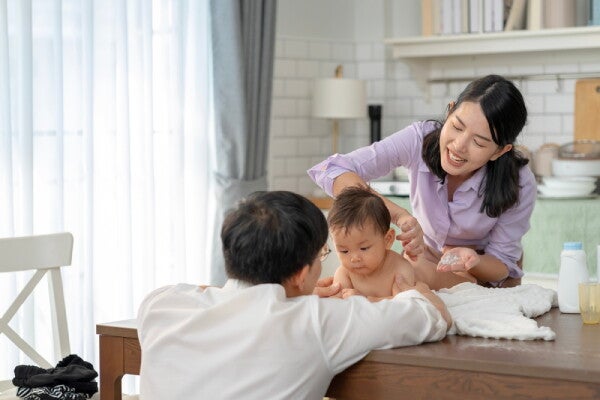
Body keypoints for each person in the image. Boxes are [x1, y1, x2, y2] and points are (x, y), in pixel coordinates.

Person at [137, 190, 451, 400]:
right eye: (324, 254)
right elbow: (433, 317)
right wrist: (418, 290)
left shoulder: (161, 305)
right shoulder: (317, 321)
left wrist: (289, 292)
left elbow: (220, 294)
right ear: (301, 273)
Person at [309, 74, 536, 289]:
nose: (458, 145)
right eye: (457, 127)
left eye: (478, 142)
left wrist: (473, 260)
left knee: (405, 275)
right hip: (424, 260)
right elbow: (333, 169)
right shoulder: (419, 139)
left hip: (482, 275)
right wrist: (400, 215)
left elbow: (501, 265)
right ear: (449, 112)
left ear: (500, 151)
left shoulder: (519, 181)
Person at [328, 186, 475, 300]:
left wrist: (366, 300)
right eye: (344, 251)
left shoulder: (399, 269)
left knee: (464, 284)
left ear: (387, 239)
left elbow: (405, 301)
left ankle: (466, 274)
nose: (354, 258)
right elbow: (339, 303)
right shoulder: (345, 274)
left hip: (423, 273)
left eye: (364, 248)